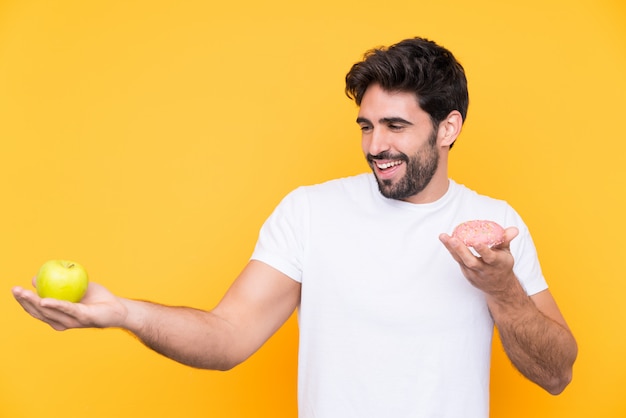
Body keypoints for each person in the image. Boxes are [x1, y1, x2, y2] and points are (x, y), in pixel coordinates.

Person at [12, 37, 577, 418]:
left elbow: (556, 374)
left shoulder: (498, 226)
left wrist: (503, 290)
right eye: (367, 126)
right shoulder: (311, 212)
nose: (375, 146)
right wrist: (123, 313)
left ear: (448, 127)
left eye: (396, 126)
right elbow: (227, 337)